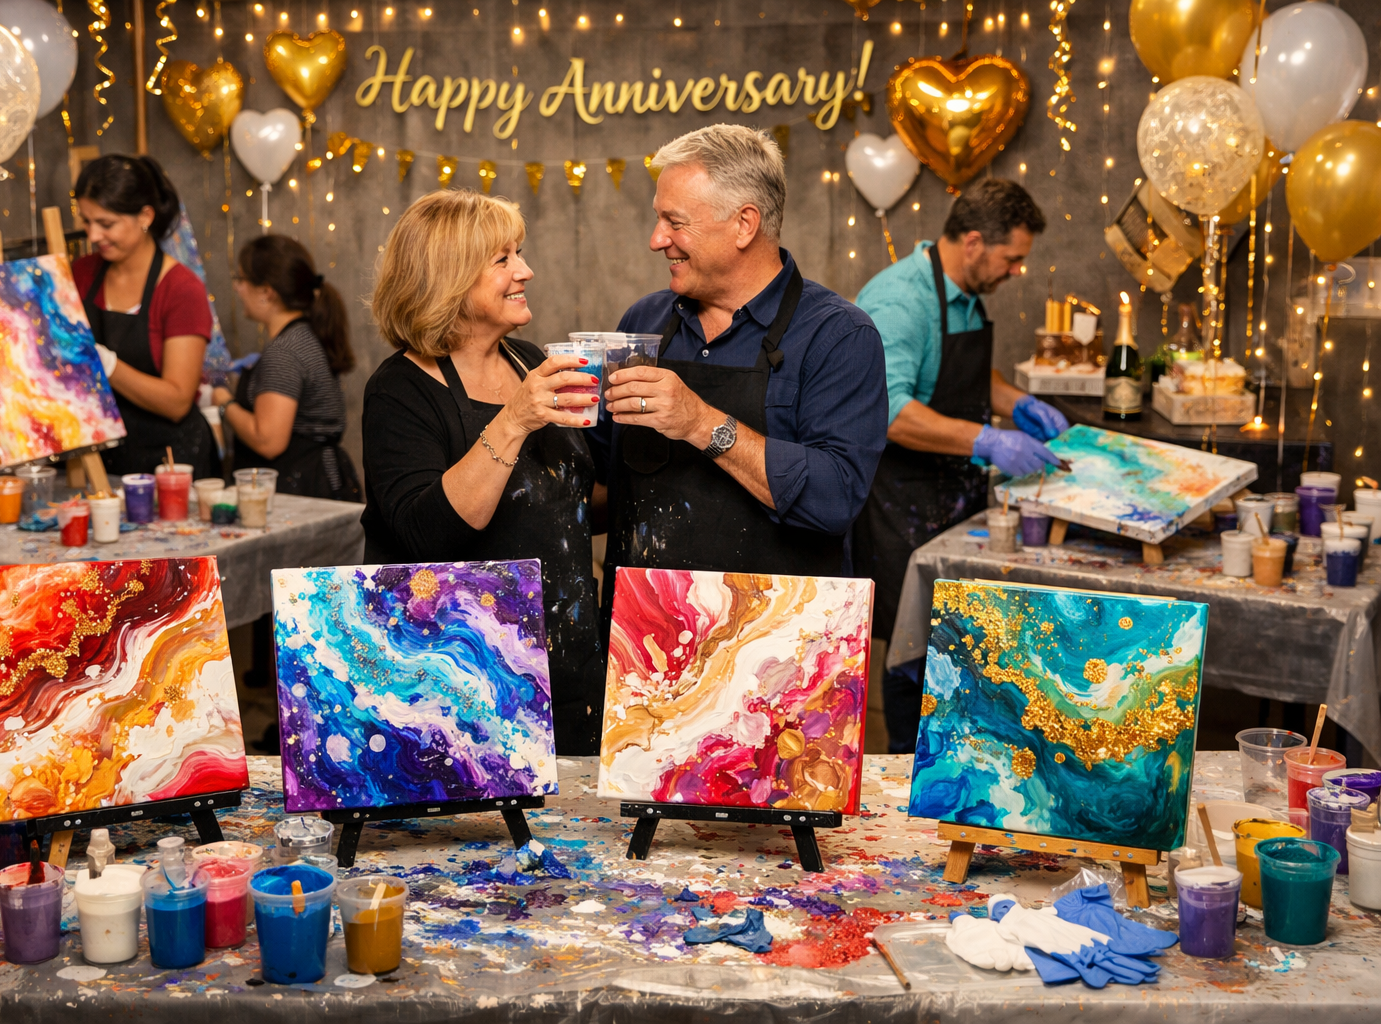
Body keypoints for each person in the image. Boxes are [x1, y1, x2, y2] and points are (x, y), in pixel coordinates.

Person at [360, 190, 606, 754]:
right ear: (448, 277)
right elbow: (428, 533)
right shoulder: (400, 389)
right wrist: (515, 419)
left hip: (567, 662)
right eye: (503, 259)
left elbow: (565, 506)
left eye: (518, 252)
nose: (526, 270)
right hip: (463, 684)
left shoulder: (528, 360)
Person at [598, 124, 886, 589]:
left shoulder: (839, 335)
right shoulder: (643, 323)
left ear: (744, 224)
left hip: (782, 635)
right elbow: (599, 479)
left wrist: (699, 422)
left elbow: (835, 501)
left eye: (675, 222)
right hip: (646, 632)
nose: (656, 239)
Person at [852, 179, 1068, 753]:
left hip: (955, 499)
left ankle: (964, 767)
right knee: (914, 656)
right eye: (1012, 258)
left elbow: (964, 377)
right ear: (974, 242)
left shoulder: (967, 294)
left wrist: (1016, 401)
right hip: (901, 503)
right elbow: (890, 411)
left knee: (964, 653)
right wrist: (990, 441)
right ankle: (909, 775)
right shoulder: (902, 301)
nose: (1017, 271)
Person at [73, 154, 215, 478]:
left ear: (145, 216)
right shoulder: (81, 274)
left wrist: (107, 365)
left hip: (171, 464)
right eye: (86, 221)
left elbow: (178, 400)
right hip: (102, 460)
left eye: (106, 224)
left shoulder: (181, 289)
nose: (93, 235)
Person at [210, 235, 362, 500]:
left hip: (300, 489)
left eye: (242, 279)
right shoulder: (306, 336)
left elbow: (268, 441)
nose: (237, 288)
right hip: (320, 482)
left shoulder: (285, 350)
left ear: (267, 291)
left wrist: (223, 401)